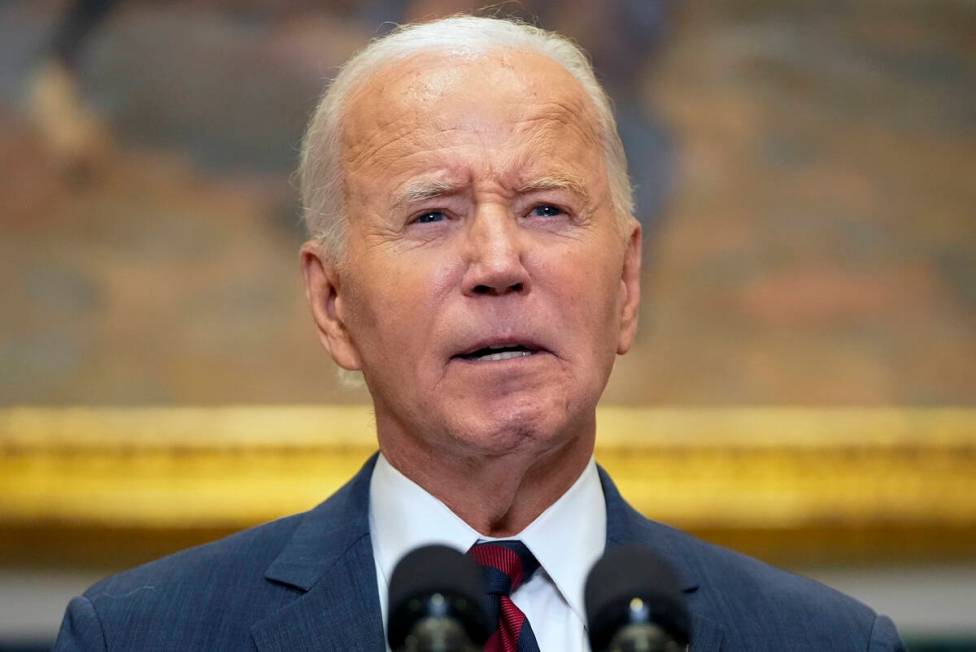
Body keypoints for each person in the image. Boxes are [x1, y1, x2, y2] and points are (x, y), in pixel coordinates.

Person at [53, 15, 905, 651]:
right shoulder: (141, 637)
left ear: (628, 284)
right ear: (333, 304)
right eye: (432, 214)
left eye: (546, 208)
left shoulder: (822, 642)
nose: (499, 260)